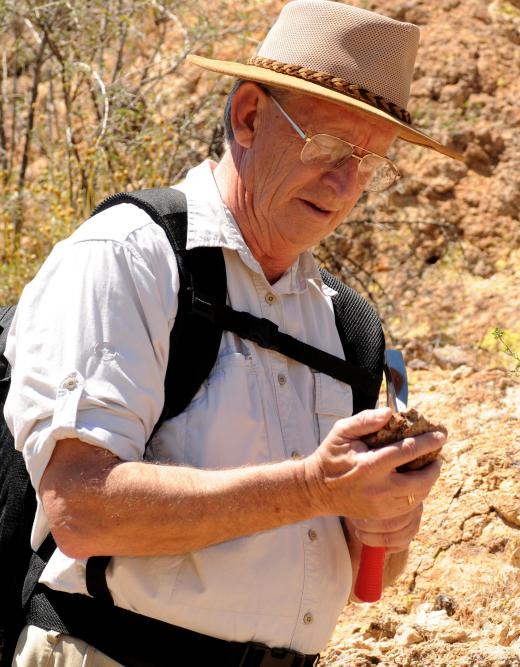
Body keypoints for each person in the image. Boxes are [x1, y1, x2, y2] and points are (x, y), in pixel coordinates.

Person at [4, 1, 460, 665]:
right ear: (248, 116)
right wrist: (312, 486)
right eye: (329, 144)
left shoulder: (347, 325)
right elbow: (81, 507)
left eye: (368, 160)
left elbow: (369, 577)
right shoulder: (129, 257)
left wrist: (387, 519)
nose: (343, 182)